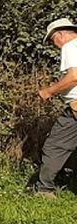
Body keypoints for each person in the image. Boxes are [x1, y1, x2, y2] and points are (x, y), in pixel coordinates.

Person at [33, 16, 77, 196]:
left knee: (55, 146)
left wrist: (49, 91)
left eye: (52, 41)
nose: (55, 45)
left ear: (60, 35)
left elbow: (74, 76)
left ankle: (44, 190)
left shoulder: (70, 46)